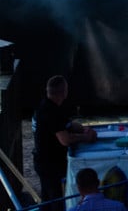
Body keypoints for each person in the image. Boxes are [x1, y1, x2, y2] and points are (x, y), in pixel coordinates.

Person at [33, 76, 97, 211]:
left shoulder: (54, 107)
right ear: (64, 92)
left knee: (49, 200)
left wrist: (84, 129)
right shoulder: (49, 111)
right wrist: (86, 138)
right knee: (55, 200)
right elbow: (65, 139)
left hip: (47, 162)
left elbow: (69, 125)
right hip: (49, 165)